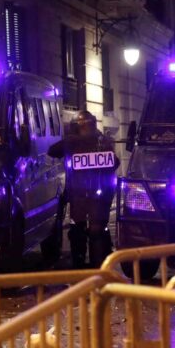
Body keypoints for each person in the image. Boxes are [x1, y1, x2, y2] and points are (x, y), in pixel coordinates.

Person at [48, 111, 120, 268]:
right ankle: (98, 265)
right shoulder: (103, 140)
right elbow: (115, 163)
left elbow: (52, 151)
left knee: (85, 229)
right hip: (91, 194)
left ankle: (82, 266)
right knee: (94, 229)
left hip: (83, 194)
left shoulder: (74, 143)